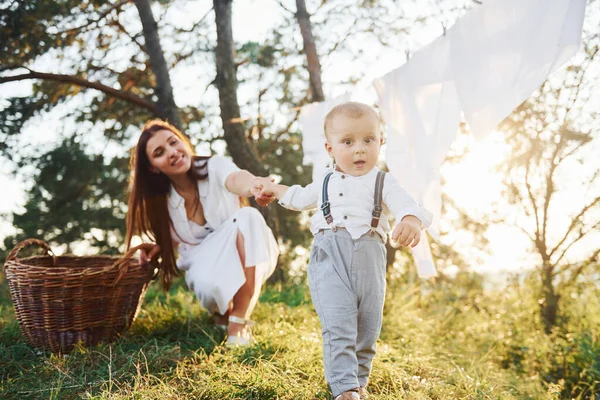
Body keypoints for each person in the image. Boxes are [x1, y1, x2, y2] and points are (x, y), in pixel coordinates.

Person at [254, 102, 432, 399]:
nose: (359, 149)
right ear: (330, 148)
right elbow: (297, 196)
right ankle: (344, 388)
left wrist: (411, 219)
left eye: (368, 140)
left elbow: (408, 205)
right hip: (329, 256)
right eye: (348, 142)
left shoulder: (384, 182)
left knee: (367, 327)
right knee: (339, 324)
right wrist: (274, 189)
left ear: (380, 142)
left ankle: (358, 382)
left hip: (371, 258)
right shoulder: (325, 180)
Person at [125, 119, 279, 347]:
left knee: (249, 216)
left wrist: (254, 184)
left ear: (184, 142)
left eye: (173, 142)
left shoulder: (215, 165)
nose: (172, 152)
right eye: (159, 152)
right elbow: (176, 235)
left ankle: (238, 323)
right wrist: (158, 247)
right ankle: (221, 314)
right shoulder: (161, 202)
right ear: (153, 167)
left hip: (245, 249)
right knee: (210, 286)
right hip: (201, 261)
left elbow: (236, 178)